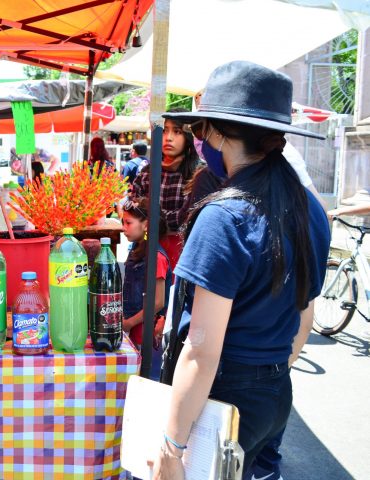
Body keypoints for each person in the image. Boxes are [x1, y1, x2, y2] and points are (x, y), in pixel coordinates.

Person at [151, 61, 330, 480]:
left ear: (217, 133)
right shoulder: (310, 208)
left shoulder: (224, 216)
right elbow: (305, 314)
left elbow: (201, 349)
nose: (199, 140)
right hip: (276, 392)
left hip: (224, 395)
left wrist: (171, 449)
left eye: (199, 130)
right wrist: (271, 375)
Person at [131, 108, 201, 268]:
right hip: (146, 250)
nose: (168, 138)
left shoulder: (198, 175)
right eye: (164, 130)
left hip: (183, 254)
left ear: (188, 136)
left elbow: (186, 218)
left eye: (177, 131)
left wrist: (151, 215)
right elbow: (134, 210)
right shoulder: (147, 173)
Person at [120, 197, 170, 381]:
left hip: (146, 334)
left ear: (146, 225)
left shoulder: (156, 257)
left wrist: (129, 323)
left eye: (128, 223)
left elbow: (158, 302)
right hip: (136, 330)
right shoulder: (137, 249)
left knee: (145, 379)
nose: (123, 228)